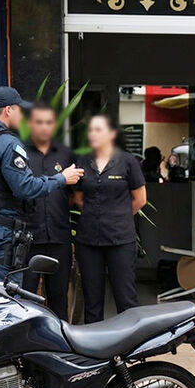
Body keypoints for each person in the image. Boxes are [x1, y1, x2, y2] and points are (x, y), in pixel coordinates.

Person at [0, 86, 83, 296]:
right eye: (20, 109)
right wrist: (61, 178)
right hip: (0, 237)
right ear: (8, 110)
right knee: (3, 303)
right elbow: (25, 187)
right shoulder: (6, 143)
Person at [73, 114, 147, 323]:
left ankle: (131, 345)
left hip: (120, 239)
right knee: (92, 298)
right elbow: (78, 199)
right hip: (88, 240)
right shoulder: (82, 161)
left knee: (126, 297)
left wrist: (118, 215)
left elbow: (140, 200)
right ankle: (94, 349)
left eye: (99, 130)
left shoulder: (127, 161)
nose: (93, 134)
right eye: (91, 130)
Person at [21, 102, 75, 319]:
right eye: (39, 122)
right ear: (30, 124)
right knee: (25, 300)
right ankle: (26, 348)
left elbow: (74, 195)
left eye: (49, 122)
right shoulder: (19, 153)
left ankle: (60, 347)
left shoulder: (66, 154)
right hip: (28, 240)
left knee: (59, 298)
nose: (44, 127)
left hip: (59, 238)